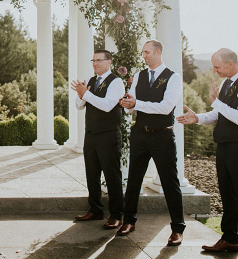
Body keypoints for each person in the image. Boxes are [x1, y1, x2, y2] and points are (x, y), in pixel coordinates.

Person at [118, 40, 184, 246]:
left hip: (162, 136)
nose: (144, 56)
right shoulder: (139, 76)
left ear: (158, 52)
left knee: (170, 182)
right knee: (134, 179)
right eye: (143, 52)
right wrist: (127, 104)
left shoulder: (173, 78)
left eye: (147, 52)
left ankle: (177, 228)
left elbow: (165, 108)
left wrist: (137, 104)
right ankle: (129, 221)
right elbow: (132, 107)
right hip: (140, 134)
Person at [178, 48, 238, 252]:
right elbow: (220, 114)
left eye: (217, 67)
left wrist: (217, 103)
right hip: (224, 147)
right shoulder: (224, 84)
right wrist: (198, 118)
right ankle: (230, 238)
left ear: (230, 64)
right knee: (227, 194)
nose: (214, 71)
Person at [71, 50, 125, 229]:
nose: (95, 64)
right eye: (93, 60)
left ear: (109, 62)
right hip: (92, 134)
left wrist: (85, 94)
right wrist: (81, 95)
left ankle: (116, 215)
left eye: (99, 60)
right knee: (91, 173)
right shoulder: (92, 81)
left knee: (112, 176)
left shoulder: (116, 82)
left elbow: (108, 105)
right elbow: (80, 106)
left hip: (109, 135)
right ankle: (95, 210)